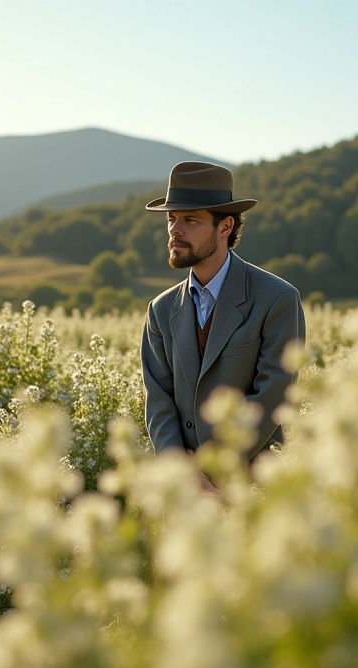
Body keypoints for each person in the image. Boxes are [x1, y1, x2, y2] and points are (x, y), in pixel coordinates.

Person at [140, 161, 306, 480]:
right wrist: (184, 476)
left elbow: (273, 395)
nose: (175, 229)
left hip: (255, 485)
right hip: (184, 490)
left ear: (225, 227)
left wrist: (218, 473)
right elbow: (159, 404)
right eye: (172, 219)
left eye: (190, 220)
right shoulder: (159, 310)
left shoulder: (277, 299)